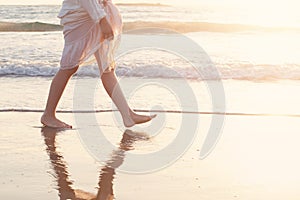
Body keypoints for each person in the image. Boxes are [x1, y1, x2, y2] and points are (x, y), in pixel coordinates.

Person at [41, 0, 156, 128]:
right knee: (69, 67)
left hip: (98, 12)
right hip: (81, 15)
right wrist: (102, 19)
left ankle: (127, 115)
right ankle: (48, 115)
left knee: (107, 68)